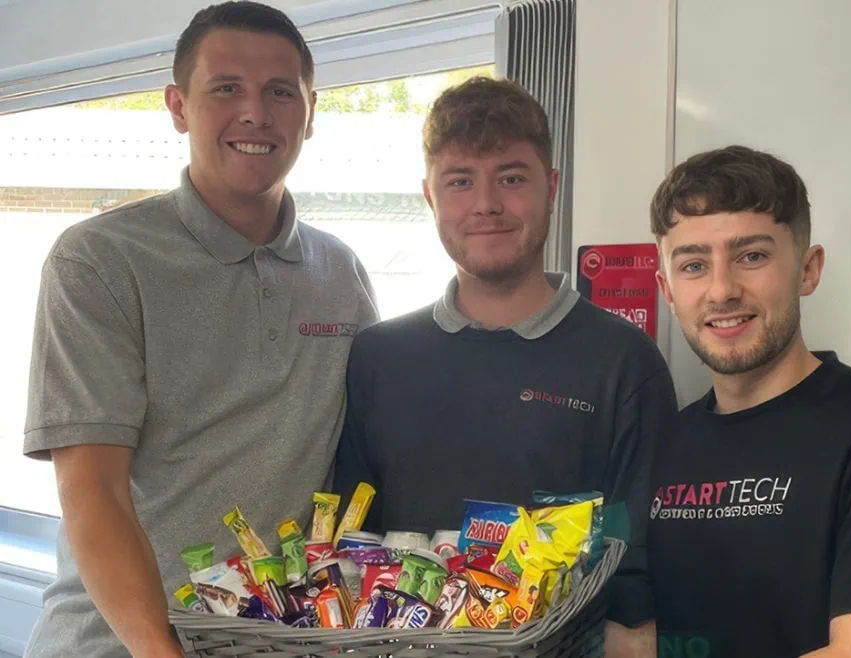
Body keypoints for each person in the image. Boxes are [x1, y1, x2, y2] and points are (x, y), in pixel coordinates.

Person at [22, 3, 377, 656]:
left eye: (280, 92)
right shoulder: (98, 261)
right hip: (116, 644)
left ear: (311, 112)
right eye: (226, 88)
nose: (255, 114)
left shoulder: (340, 272)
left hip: (273, 641)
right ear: (178, 106)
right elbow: (93, 492)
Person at [333, 77, 677, 656]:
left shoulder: (624, 362)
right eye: (460, 181)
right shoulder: (378, 357)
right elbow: (347, 548)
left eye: (512, 178)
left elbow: (635, 573)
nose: (486, 204)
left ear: (552, 188)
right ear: (430, 197)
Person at [647, 145, 851, 657]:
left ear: (808, 270)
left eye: (751, 256)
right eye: (693, 265)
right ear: (667, 290)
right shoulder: (662, 445)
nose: (721, 291)